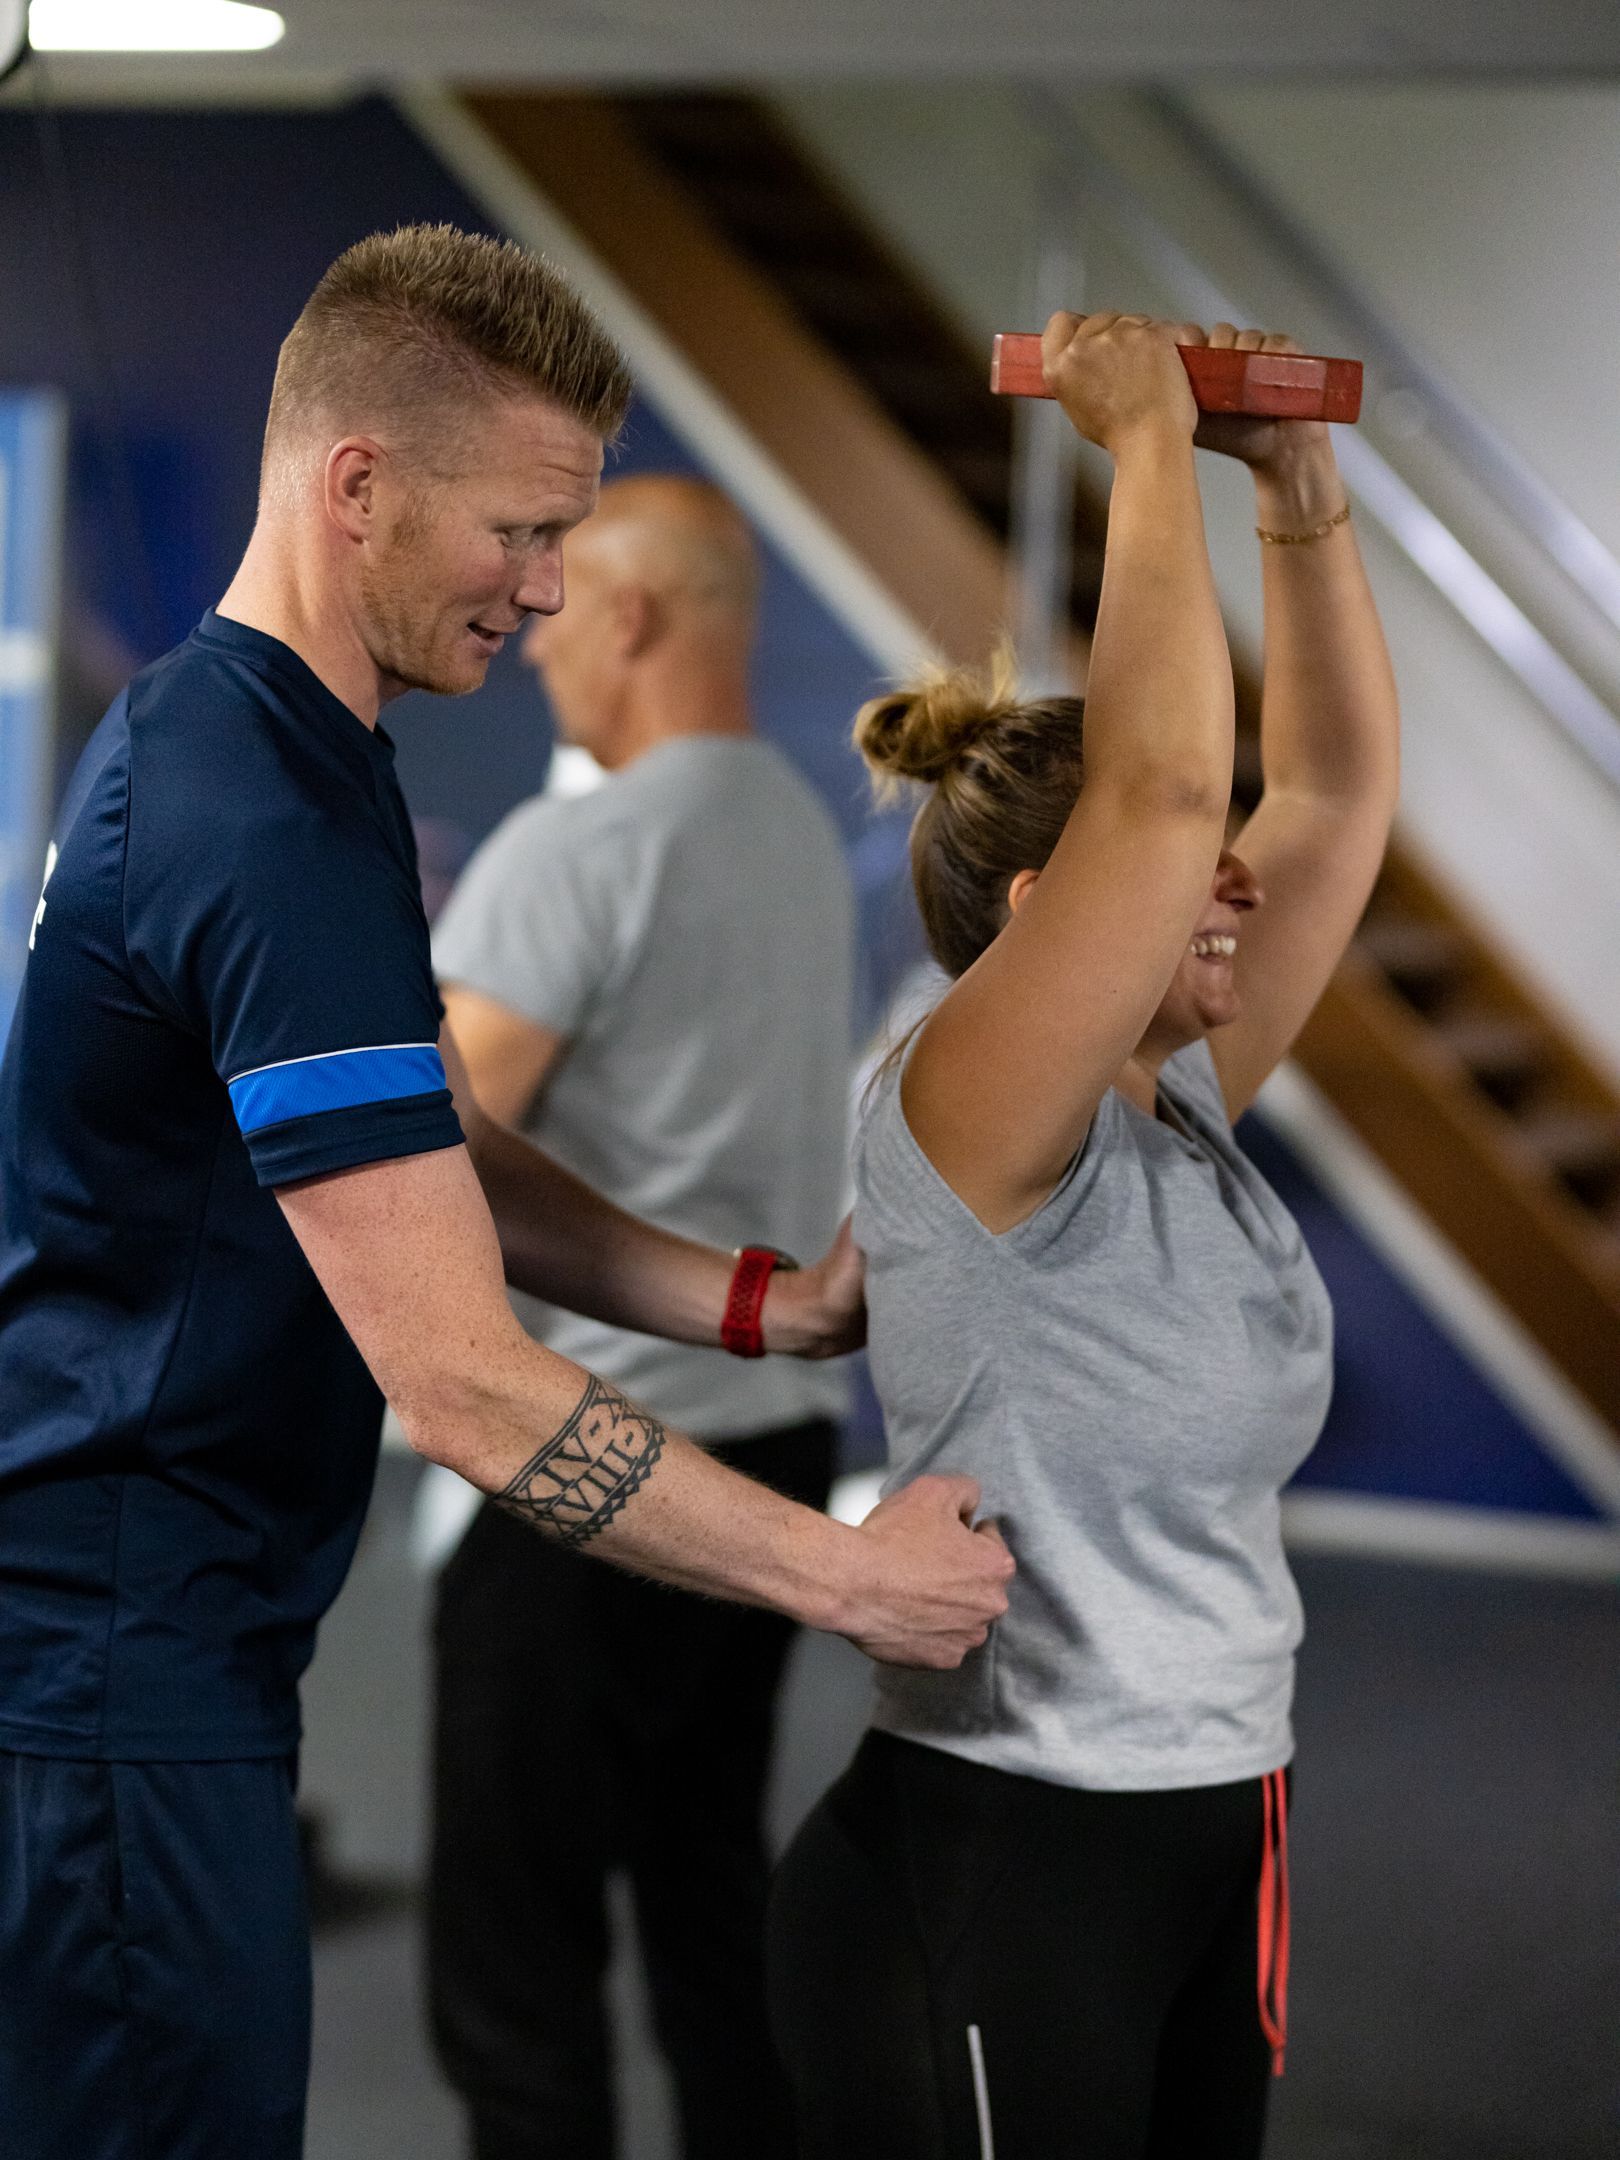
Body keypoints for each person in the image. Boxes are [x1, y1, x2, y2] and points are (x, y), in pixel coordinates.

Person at [0, 224, 1013, 2160]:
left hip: (181, 1624)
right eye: (523, 533)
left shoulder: (299, 743)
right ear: (360, 481)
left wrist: (756, 1303)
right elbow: (461, 1382)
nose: (549, 593)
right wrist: (846, 1574)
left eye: (574, 540)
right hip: (120, 1655)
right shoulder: (258, 812)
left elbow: (430, 1143)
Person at [766, 310, 1400, 2160]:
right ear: (1052, 918)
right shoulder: (968, 1104)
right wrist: (1139, 446)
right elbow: (1167, 790)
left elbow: (1338, 798)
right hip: (1002, 1842)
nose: (1236, 888)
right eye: (1189, 880)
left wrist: (1298, 496)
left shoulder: (1174, 1091)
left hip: (1222, 1809)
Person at [425, 473, 855, 2160]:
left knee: (512, 1960)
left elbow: (439, 1159)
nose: (532, 641)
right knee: (706, 1894)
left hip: (581, 1480)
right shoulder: (796, 830)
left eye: (558, 598)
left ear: (640, 615)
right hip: (763, 1450)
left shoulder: (579, 845)